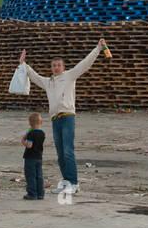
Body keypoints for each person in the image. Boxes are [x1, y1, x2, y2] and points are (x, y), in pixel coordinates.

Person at [19, 37, 107, 194]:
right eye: (54, 65)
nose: (56, 67)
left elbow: (85, 64)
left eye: (59, 65)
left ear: (63, 67)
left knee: (67, 150)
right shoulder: (48, 82)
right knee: (60, 153)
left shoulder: (69, 76)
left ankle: (74, 183)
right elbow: (34, 76)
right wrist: (23, 64)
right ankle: (66, 182)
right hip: (55, 119)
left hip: (67, 117)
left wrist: (98, 48)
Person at [22, 112, 46, 200]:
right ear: (41, 122)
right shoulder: (42, 133)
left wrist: (23, 141)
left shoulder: (31, 134)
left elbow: (29, 145)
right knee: (39, 176)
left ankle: (32, 194)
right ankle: (40, 193)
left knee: (30, 176)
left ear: (30, 124)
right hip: (39, 157)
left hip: (30, 157)